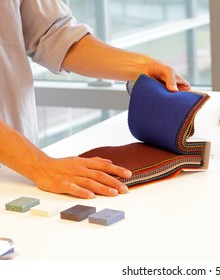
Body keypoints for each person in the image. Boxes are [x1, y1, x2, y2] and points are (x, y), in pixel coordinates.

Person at [0, 1, 191, 199]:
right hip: (28, 167)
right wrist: (39, 165)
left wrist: (142, 66)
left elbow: (53, 35)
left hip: (17, 172)